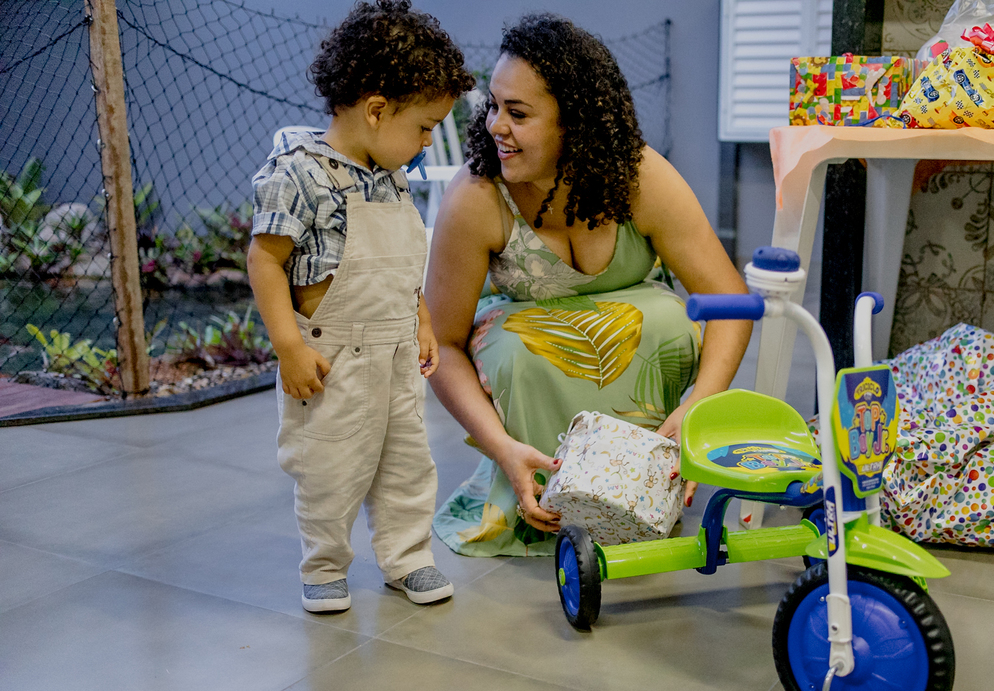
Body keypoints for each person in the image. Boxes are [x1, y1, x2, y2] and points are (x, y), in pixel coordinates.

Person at [426, 13, 752, 557]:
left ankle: (645, 496)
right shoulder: (477, 198)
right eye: (494, 106)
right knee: (518, 349)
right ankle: (536, 487)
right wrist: (501, 446)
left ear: (573, 122)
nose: (495, 126)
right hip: (520, 344)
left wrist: (699, 407)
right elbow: (442, 344)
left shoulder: (639, 177)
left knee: (669, 322)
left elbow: (730, 302)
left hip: (649, 366)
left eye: (518, 113)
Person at [247, 0, 474, 612]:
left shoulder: (390, 175)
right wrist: (289, 348)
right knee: (329, 467)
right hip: (332, 358)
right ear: (376, 110)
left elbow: (401, 260)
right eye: (424, 126)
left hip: (396, 351)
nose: (428, 140)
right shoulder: (298, 174)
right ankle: (324, 565)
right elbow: (264, 261)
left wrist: (420, 318)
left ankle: (409, 557)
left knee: (407, 464)